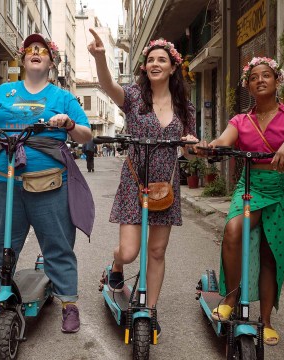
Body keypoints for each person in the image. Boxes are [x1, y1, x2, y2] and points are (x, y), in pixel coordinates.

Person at [0, 33, 94, 333]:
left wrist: (69, 124)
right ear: (23, 59)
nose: (36, 53)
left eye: (43, 51)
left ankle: (68, 302)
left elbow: (86, 135)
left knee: (58, 244)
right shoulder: (3, 92)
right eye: (31, 50)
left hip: (48, 182)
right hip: (2, 179)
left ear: (51, 61)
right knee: (3, 244)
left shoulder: (62, 97)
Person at [87, 29, 198, 335]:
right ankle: (116, 267)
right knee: (129, 251)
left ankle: (149, 309)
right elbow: (108, 86)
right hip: (135, 181)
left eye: (162, 59)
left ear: (173, 67)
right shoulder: (134, 96)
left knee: (158, 252)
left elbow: (188, 146)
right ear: (144, 67)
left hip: (167, 183)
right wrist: (99, 57)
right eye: (151, 59)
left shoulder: (183, 105)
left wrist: (192, 141)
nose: (155, 63)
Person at [194, 56, 284, 346]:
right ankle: (231, 297)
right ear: (248, 85)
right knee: (234, 231)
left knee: (270, 255)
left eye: (266, 75)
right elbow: (223, 140)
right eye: (254, 76)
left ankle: (267, 321)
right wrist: (209, 147)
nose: (260, 79)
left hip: (283, 190)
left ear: (277, 80)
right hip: (251, 186)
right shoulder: (240, 121)